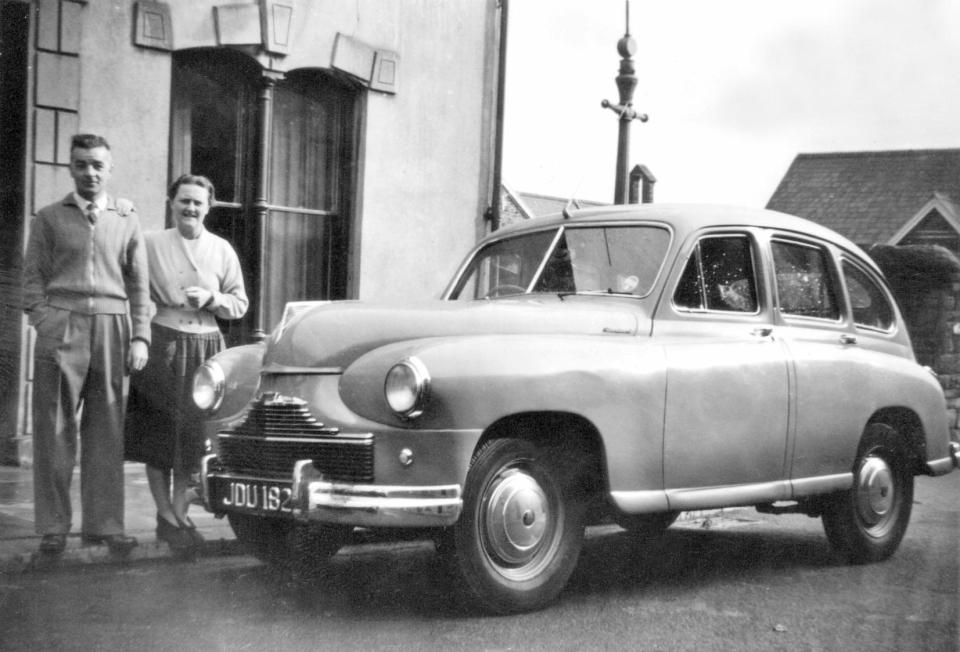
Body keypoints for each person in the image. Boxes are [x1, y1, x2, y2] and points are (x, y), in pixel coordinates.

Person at [23, 134, 150, 556]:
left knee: (108, 430)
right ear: (70, 169)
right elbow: (31, 281)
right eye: (81, 164)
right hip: (63, 326)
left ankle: (106, 524)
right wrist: (47, 321)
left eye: (97, 165)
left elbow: (139, 284)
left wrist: (140, 335)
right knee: (55, 430)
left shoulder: (126, 217)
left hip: (113, 328)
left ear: (109, 169)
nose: (89, 173)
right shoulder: (48, 218)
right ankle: (54, 526)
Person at [125, 174, 248, 551]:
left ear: (208, 207)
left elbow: (240, 303)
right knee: (160, 435)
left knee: (193, 439)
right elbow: (131, 283)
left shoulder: (222, 249)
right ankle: (165, 515)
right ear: (171, 203)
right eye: (184, 201)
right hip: (164, 343)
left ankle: (180, 513)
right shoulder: (150, 242)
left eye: (197, 202)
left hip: (206, 349)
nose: (190, 208)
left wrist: (212, 298)